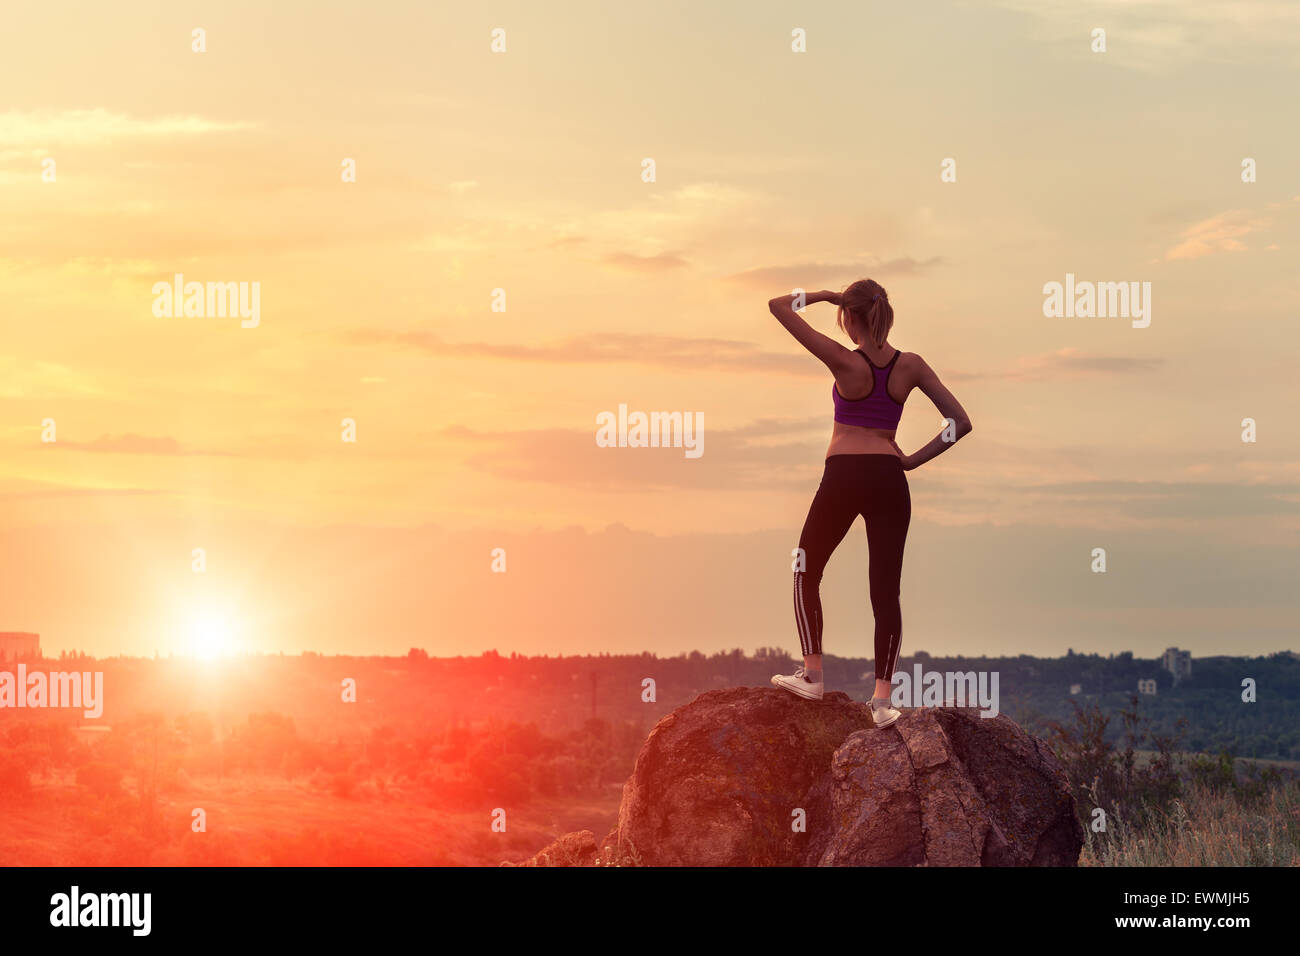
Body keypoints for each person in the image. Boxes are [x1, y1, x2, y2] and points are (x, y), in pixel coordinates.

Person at [767, 280, 973, 728]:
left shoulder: (843, 360)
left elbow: (778, 306)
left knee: (806, 568)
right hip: (888, 477)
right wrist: (913, 460)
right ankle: (881, 703)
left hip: (844, 474)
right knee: (885, 591)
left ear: (849, 316)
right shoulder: (911, 365)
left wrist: (821, 296)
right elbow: (960, 422)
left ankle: (813, 674)